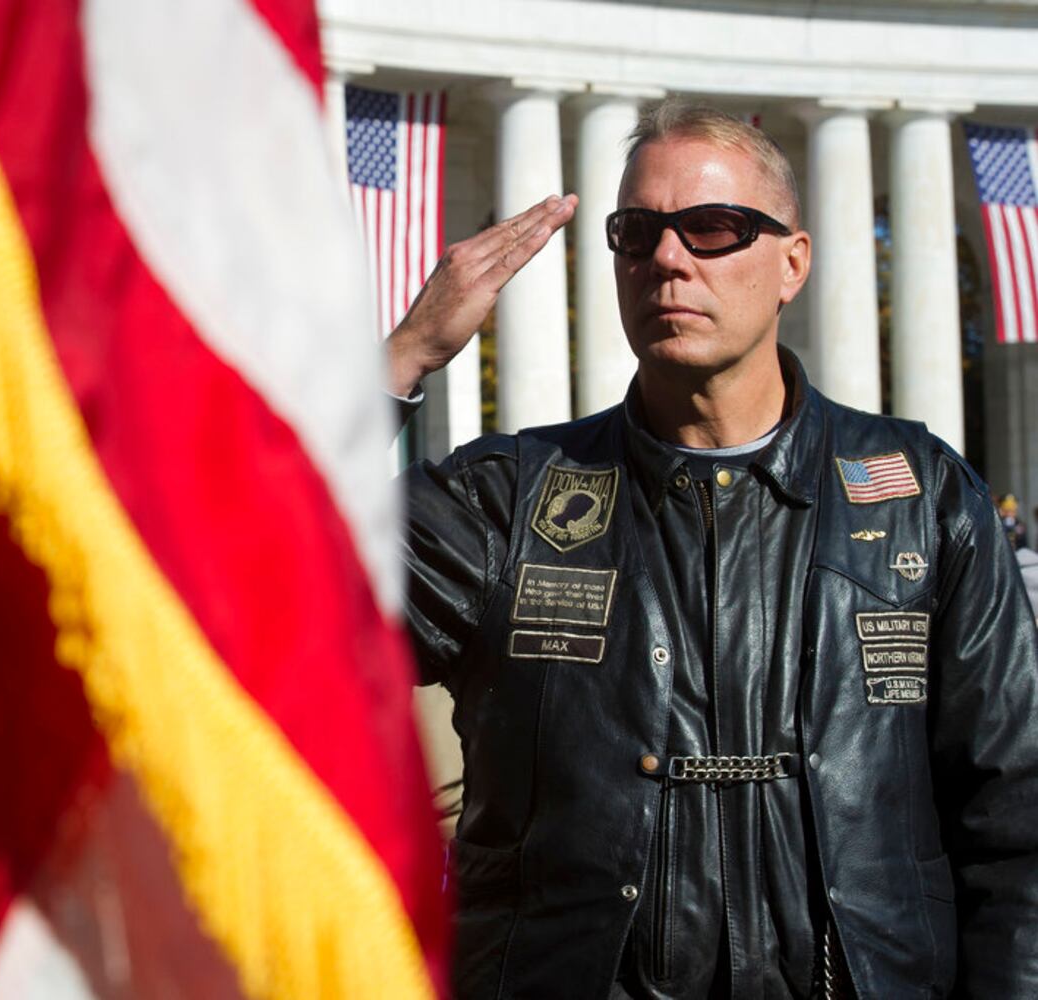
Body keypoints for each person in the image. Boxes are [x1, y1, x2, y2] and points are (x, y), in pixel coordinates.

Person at [389, 102, 1038, 999]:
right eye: (637, 232)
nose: (666, 258)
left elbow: (1014, 827)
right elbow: (237, 595)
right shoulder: (502, 499)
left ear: (791, 264)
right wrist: (402, 358)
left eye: (711, 227)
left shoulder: (924, 499)